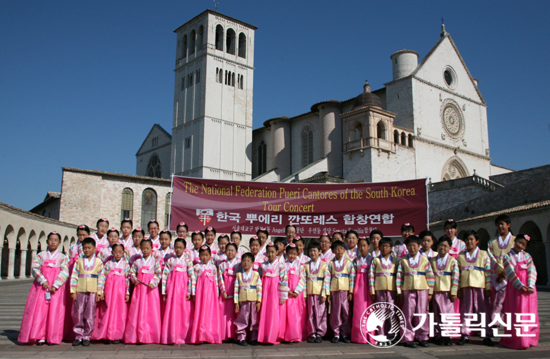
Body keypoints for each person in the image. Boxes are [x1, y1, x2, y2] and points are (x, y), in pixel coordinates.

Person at [18, 232, 69, 346]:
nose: (53, 242)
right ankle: (40, 336)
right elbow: (35, 268)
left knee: (54, 311)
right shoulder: (41, 255)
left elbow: (65, 272)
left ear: (59, 242)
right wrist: (42, 280)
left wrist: (56, 285)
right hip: (42, 287)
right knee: (40, 310)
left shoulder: (62, 257)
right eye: (51, 240)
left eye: (55, 240)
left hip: (55, 288)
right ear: (47, 241)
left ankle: (52, 336)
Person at [500, 234, 538, 350]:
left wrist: (531, 284)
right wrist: (519, 285)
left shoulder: (527, 256)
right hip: (515, 288)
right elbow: (510, 273)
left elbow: (532, 270)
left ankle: (529, 338)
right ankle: (516, 339)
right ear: (515, 241)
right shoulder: (507, 257)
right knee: (516, 311)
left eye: (523, 244)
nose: (520, 245)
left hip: (528, 288)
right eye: (519, 242)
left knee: (529, 311)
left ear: (525, 247)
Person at [396, 235, 434, 348]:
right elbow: (399, 276)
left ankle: (422, 336)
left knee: (422, 312)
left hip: (422, 289)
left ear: (418, 246)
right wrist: (399, 291)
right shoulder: (403, 260)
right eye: (409, 246)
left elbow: (430, 276)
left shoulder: (424, 259)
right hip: (408, 289)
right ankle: (407, 337)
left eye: (414, 246)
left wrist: (430, 291)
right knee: (408, 313)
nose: (412, 248)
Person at [456, 230, 494, 346]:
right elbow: (457, 274)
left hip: (480, 287)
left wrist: (488, 287)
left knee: (482, 311)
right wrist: (457, 289)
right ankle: (465, 334)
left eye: (471, 239)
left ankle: (486, 335)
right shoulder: (460, 256)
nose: (469, 242)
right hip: (465, 286)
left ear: (477, 241)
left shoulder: (484, 254)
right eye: (467, 240)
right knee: (465, 311)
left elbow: (488, 272)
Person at [124, 239, 162, 344]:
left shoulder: (155, 262)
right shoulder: (137, 261)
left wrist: (154, 283)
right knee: (137, 310)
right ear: (140, 249)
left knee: (151, 311)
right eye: (143, 248)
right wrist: (134, 279)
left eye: (147, 248)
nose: (145, 250)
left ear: (151, 249)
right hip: (139, 289)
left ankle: (150, 335)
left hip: (150, 290)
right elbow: (131, 272)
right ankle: (136, 335)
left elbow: (158, 274)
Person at [92, 243, 130, 344]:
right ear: (112, 252)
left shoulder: (125, 265)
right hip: (109, 290)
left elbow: (128, 279)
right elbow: (102, 277)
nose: (118, 254)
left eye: (120, 252)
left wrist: (127, 293)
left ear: (123, 253)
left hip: (120, 291)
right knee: (107, 310)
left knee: (119, 312)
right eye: (116, 252)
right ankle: (106, 334)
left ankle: (117, 334)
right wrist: (101, 290)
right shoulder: (108, 264)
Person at [70, 237, 104, 346]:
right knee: (78, 312)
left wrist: (99, 292)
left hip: (92, 290)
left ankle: (87, 335)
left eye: (89, 248)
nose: (87, 250)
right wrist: (73, 290)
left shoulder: (98, 261)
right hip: (80, 290)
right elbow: (74, 276)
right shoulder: (79, 261)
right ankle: (78, 334)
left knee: (90, 313)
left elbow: (101, 278)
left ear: (94, 248)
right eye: (85, 248)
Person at [161, 238, 193, 345]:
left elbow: (191, 276)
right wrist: (164, 292)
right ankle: (171, 335)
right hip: (172, 289)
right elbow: (164, 276)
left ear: (184, 248)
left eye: (180, 248)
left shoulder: (187, 260)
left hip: (183, 289)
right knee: (172, 310)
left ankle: (183, 335)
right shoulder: (170, 260)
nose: (178, 250)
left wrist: (189, 291)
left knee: (184, 311)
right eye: (176, 248)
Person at [190, 245, 224, 344]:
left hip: (211, 292)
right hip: (200, 292)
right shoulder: (196, 267)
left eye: (206, 255)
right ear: (199, 256)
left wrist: (217, 292)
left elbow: (216, 281)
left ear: (210, 256)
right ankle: (201, 334)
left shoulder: (213, 267)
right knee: (201, 311)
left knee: (210, 312)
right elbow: (193, 280)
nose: (204, 257)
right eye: (202, 255)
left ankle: (211, 333)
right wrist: (193, 293)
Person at [429, 236, 459, 346]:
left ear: (449, 248)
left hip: (447, 291)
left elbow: (455, 277)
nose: (442, 248)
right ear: (437, 246)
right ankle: (438, 335)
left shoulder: (452, 261)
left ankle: (448, 335)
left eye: (445, 246)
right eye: (440, 245)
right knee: (436, 313)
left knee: (447, 313)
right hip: (436, 290)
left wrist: (454, 291)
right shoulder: (432, 260)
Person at [257, 243, 288, 344]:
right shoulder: (262, 266)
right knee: (265, 311)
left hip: (275, 292)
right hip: (265, 291)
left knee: (274, 312)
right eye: (268, 252)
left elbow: (284, 280)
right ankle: (264, 335)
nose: (270, 254)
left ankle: (273, 335)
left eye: (272, 252)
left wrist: (282, 296)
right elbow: (258, 279)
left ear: (276, 253)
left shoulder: (281, 265)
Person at [487, 214, 515, 326]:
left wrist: (507, 271)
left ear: (508, 225)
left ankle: (511, 325)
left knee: (511, 301)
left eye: (502, 224)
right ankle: (495, 323)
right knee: (496, 301)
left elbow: (516, 257)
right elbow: (490, 257)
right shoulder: (492, 242)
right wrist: (500, 270)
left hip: (511, 276)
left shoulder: (515, 240)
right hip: (497, 276)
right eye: (498, 224)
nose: (500, 226)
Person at [368, 237, 399, 338]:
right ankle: (381, 333)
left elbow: (398, 276)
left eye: (387, 246)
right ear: (379, 247)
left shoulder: (395, 260)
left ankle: (392, 333)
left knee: (392, 311)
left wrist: (398, 290)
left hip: (392, 289)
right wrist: (372, 290)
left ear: (391, 248)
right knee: (380, 311)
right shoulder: (375, 260)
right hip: (379, 289)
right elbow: (371, 275)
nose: (384, 248)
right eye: (382, 246)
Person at [326, 240, 356, 343]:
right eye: (337, 249)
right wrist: (327, 293)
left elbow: (352, 277)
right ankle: (336, 333)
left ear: (344, 250)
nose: (339, 251)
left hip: (345, 290)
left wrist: (351, 292)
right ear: (333, 250)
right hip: (334, 290)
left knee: (346, 312)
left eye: (341, 249)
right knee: (335, 312)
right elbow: (327, 278)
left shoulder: (348, 262)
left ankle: (345, 333)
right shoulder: (330, 263)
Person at [64, 225, 89, 342]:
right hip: (74, 278)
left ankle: (86, 333)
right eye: (80, 235)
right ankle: (73, 332)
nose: (82, 237)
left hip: (86, 281)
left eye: (84, 235)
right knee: (74, 307)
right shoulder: (73, 247)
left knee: (87, 309)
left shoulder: (90, 248)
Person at [234, 252, 262, 346]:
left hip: (253, 299)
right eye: (244, 261)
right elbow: (236, 289)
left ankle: (253, 337)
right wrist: (236, 302)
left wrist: (259, 301)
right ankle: (241, 337)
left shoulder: (256, 274)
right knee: (242, 318)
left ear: (252, 263)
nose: (246, 263)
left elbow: (259, 288)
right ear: (241, 262)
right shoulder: (238, 275)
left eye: (248, 261)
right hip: (242, 299)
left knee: (254, 318)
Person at [279, 244, 306, 343]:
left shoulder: (300, 265)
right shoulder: (282, 265)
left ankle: (295, 335)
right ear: (286, 253)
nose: (292, 256)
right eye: (290, 253)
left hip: (296, 295)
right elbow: (281, 279)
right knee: (286, 316)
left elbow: (302, 279)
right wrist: (287, 290)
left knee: (296, 316)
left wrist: (296, 291)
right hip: (287, 294)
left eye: (294, 254)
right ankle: (286, 336)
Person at [305, 241, 329, 343]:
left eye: (314, 251)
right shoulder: (306, 265)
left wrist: (324, 293)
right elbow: (303, 280)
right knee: (310, 313)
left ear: (319, 252)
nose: (312, 253)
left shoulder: (324, 265)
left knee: (320, 313)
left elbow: (327, 280)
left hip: (319, 293)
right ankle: (312, 332)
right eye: (310, 251)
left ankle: (320, 332)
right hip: (310, 293)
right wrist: (305, 294)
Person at [351, 236, 373, 344]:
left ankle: (371, 335)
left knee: (370, 310)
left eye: (364, 245)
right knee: (359, 310)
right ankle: (359, 335)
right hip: (359, 288)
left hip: (369, 287)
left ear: (369, 247)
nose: (362, 248)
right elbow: (352, 276)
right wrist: (351, 290)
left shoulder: (372, 260)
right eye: (360, 246)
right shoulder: (355, 260)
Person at [219, 243, 240, 341]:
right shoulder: (222, 264)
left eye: (232, 250)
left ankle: (234, 334)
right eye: (228, 250)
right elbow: (220, 278)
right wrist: (223, 290)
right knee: (224, 313)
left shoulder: (239, 264)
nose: (230, 252)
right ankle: (224, 334)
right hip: (225, 291)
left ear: (236, 252)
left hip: (235, 290)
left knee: (234, 313)